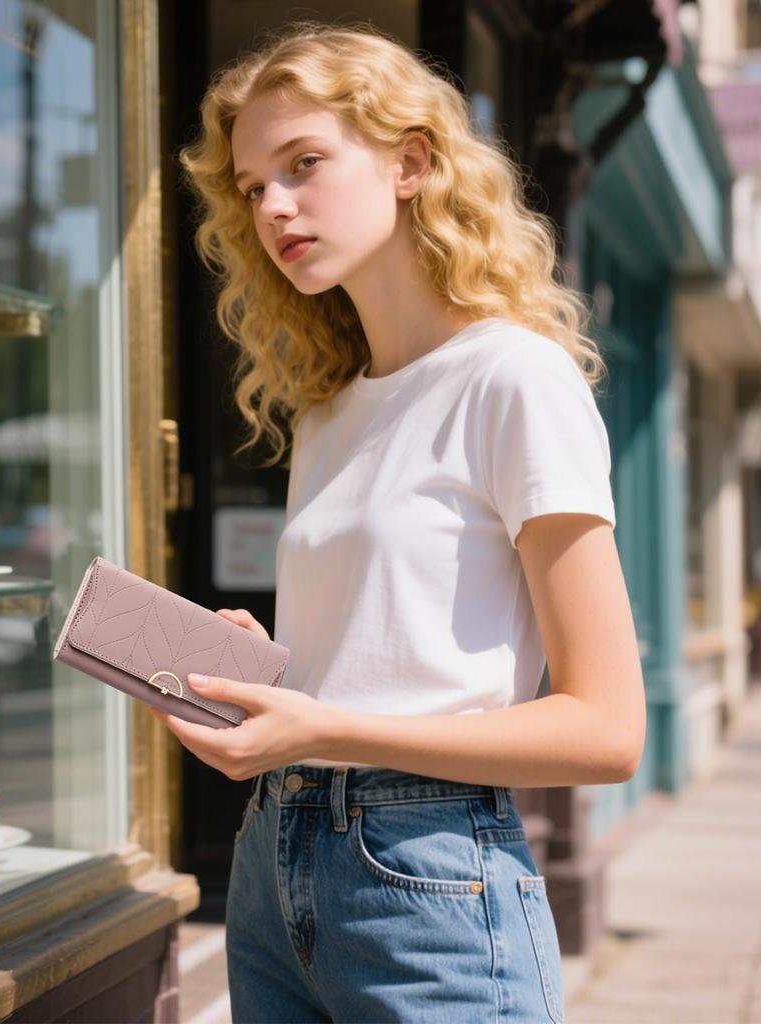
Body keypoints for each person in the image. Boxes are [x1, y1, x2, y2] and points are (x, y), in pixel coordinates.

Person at [157, 22, 645, 1023]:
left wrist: (321, 722)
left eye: (303, 165)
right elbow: (393, 656)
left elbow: (608, 729)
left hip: (427, 871)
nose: (274, 207)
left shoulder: (513, 377)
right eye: (252, 188)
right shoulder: (331, 408)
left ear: (411, 161)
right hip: (272, 858)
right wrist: (277, 681)